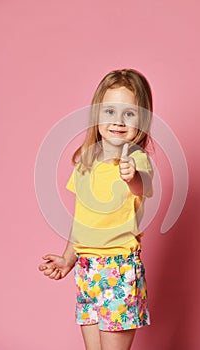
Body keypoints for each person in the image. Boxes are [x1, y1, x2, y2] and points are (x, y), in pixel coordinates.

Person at [38, 68, 154, 350]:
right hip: (87, 270)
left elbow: (143, 186)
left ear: (143, 119)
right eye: (110, 111)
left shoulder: (136, 159)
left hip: (119, 268)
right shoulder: (86, 162)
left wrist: (132, 176)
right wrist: (68, 259)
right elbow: (82, 218)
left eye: (129, 113)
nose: (118, 121)